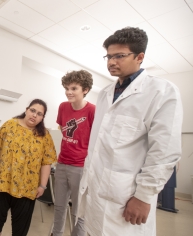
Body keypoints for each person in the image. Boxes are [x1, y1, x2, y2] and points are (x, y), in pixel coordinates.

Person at [77, 27, 183, 236]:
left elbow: (164, 152)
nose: (111, 62)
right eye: (109, 56)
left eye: (119, 56)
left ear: (140, 57)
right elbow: (98, 147)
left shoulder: (162, 91)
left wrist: (144, 196)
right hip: (94, 193)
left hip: (126, 197)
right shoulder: (106, 93)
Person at [0, 99, 57, 236]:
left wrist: (43, 186)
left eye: (39, 114)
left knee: (21, 227)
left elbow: (46, 162)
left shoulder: (44, 136)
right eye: (32, 110)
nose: (34, 115)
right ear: (26, 109)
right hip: (3, 182)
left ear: (42, 117)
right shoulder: (10, 125)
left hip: (27, 187)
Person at [52, 70, 95, 236]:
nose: (69, 92)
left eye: (74, 88)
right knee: (59, 207)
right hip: (62, 163)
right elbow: (62, 128)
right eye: (67, 88)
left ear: (85, 90)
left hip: (80, 166)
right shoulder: (63, 107)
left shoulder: (92, 110)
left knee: (78, 210)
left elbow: (96, 139)